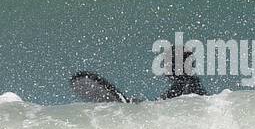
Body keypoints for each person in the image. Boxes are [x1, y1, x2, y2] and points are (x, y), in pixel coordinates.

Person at [71, 50, 207, 103]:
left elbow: (164, 106)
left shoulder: (186, 86)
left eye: (168, 65)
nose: (165, 69)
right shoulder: (190, 83)